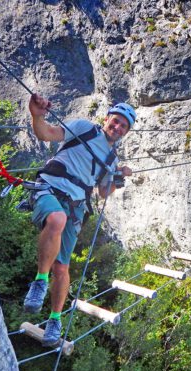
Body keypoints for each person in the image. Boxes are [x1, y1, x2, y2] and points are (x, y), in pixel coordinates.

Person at [23, 94, 135, 346]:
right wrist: (36, 115)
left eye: (123, 126)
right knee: (56, 218)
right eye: (115, 121)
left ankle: (54, 320)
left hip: (77, 205)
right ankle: (40, 282)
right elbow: (47, 133)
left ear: (126, 132)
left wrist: (117, 176)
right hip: (51, 187)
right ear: (107, 118)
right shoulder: (84, 128)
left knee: (62, 269)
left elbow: (104, 193)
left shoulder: (111, 160)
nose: (117, 127)